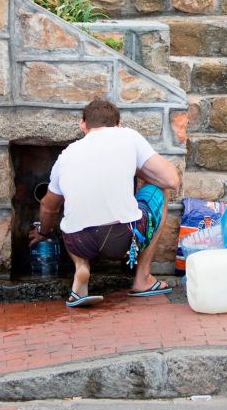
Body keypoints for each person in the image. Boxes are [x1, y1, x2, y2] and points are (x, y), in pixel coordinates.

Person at [30, 98, 181, 308]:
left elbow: (48, 206)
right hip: (122, 238)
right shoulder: (127, 136)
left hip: (79, 243)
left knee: (69, 214)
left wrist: (43, 233)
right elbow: (171, 180)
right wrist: (135, 167)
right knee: (160, 191)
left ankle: (81, 267)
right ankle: (142, 279)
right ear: (118, 125)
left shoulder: (65, 156)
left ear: (83, 125)